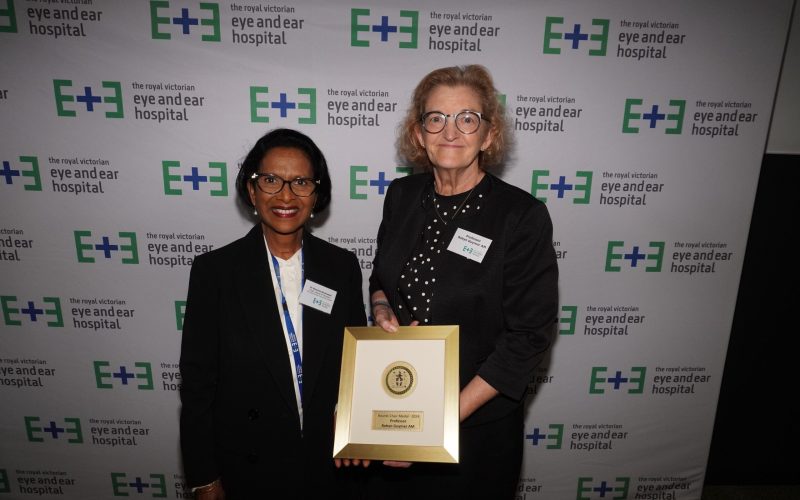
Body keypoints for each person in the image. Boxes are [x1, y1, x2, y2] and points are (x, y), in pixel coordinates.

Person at [367, 65, 559, 499]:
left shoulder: (520, 217)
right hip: (399, 410)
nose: (450, 131)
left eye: (467, 118)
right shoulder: (401, 196)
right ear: (418, 133)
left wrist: (437, 421)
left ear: (489, 136)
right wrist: (380, 306)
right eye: (436, 118)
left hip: (474, 429)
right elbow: (381, 277)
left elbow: (528, 336)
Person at [179, 128, 367, 500]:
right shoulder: (215, 272)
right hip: (247, 471)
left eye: (300, 182)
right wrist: (204, 478)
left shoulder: (341, 267)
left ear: (317, 193)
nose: (285, 195)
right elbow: (198, 386)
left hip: (327, 466)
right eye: (270, 180)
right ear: (251, 191)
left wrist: (355, 423)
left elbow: (355, 363)